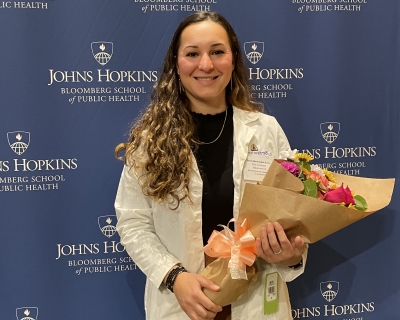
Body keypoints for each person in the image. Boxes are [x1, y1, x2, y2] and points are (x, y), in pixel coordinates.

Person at [114, 11, 307, 320]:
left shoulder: (266, 131)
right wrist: (174, 276)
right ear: (176, 64)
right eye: (192, 54)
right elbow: (133, 222)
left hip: (256, 303)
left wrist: (290, 256)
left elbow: (293, 214)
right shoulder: (151, 142)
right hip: (184, 305)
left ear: (233, 60)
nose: (206, 65)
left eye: (217, 52)